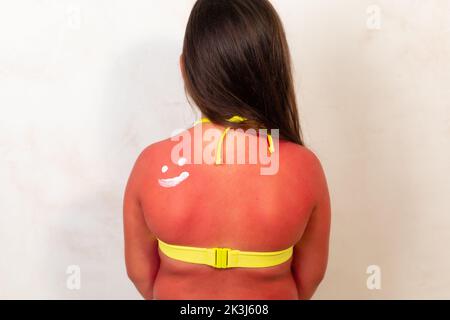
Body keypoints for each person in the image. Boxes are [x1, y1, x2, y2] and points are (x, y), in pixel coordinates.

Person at [124, 0, 330, 300]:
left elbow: (140, 275)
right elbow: (309, 281)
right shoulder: (305, 168)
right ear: (272, 71)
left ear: (186, 69)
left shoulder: (151, 165)